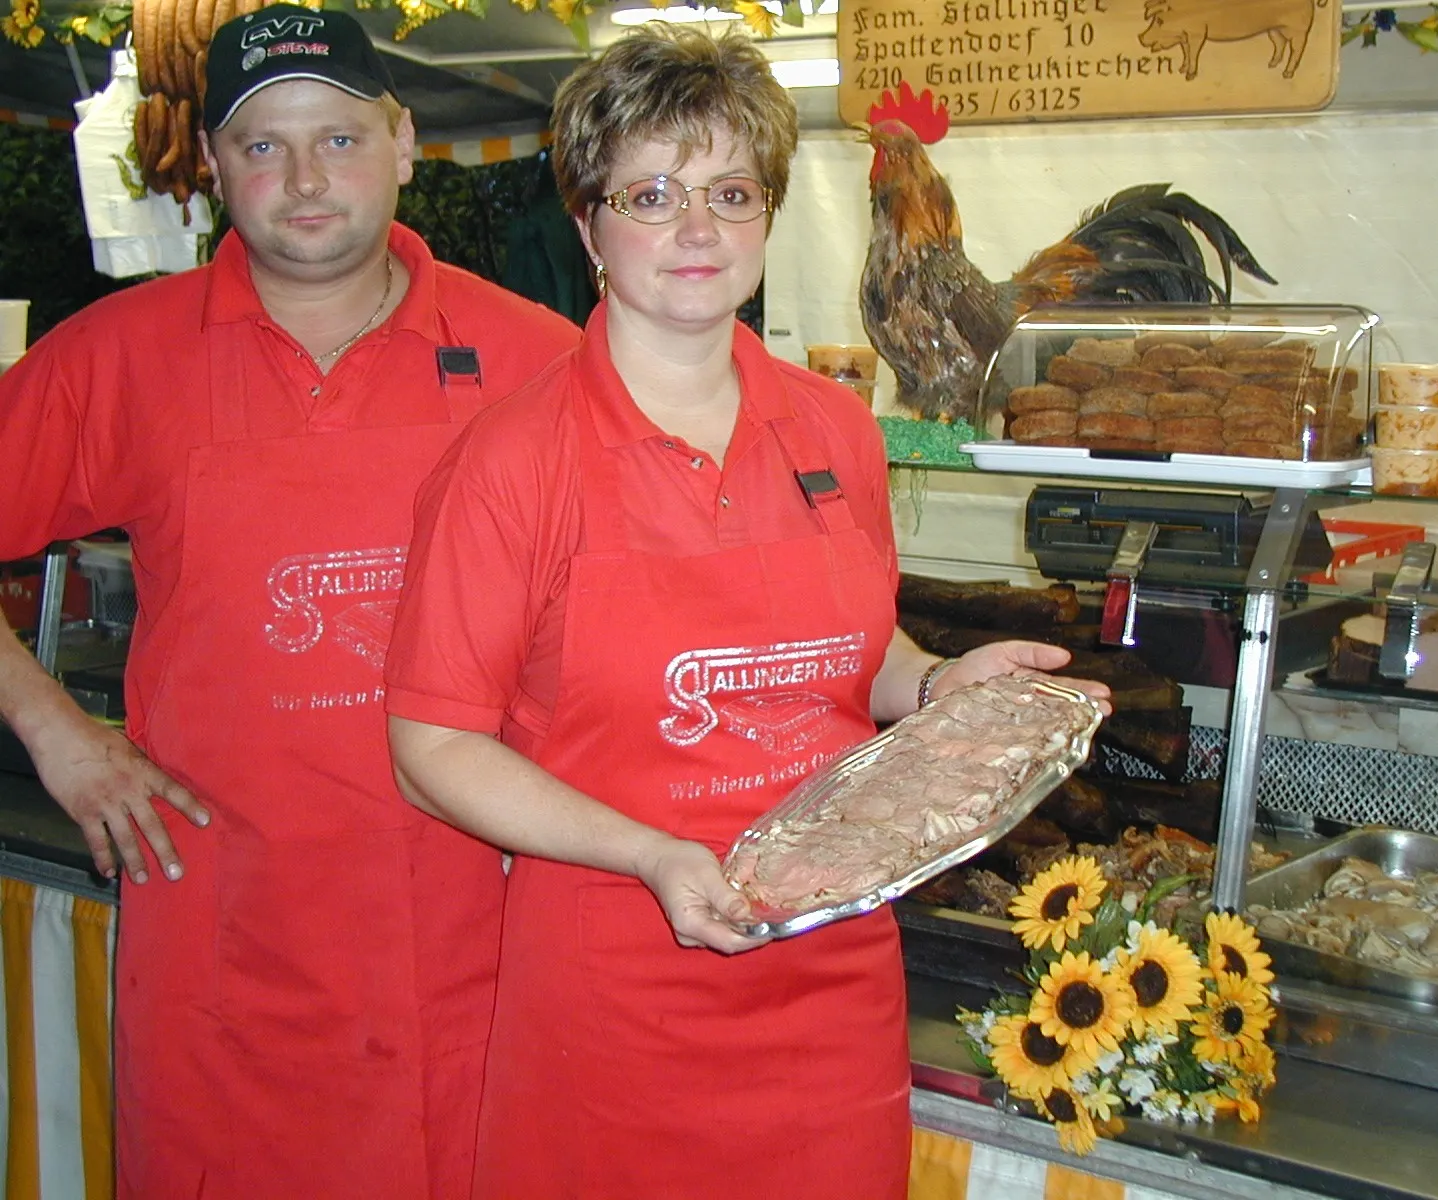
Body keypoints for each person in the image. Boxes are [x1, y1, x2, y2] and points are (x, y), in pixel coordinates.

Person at [383, 24, 1112, 1199]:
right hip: (613, 984)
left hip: (827, 988)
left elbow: (850, 647)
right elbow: (432, 747)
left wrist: (928, 690)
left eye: (730, 192)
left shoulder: (831, 429)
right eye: (652, 195)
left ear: (769, 218)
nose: (696, 229)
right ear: (588, 226)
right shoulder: (514, 460)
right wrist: (650, 854)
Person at [0, 7, 579, 1195]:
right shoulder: (116, 358)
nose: (305, 179)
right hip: (225, 943)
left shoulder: (535, 356)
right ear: (211, 166)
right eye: (262, 146)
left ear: (406, 140)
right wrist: (60, 735)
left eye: (340, 138)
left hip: (478, 939)